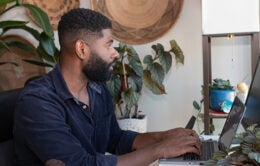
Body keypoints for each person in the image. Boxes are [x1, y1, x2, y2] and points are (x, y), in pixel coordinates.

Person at [13, 8, 201, 166]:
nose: (115, 54)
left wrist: (163, 137)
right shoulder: (38, 103)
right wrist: (160, 150)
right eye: (108, 45)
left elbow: (116, 139)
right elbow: (82, 164)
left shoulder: (96, 89)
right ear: (82, 49)